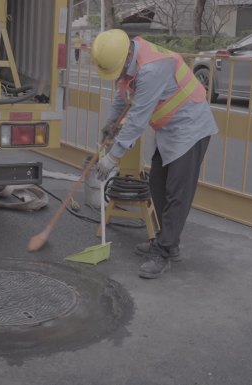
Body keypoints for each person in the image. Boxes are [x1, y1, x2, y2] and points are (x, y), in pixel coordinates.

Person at [91, 29, 218, 279]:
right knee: (158, 186)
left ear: (127, 55)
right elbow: (122, 96)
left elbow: (137, 119)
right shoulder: (129, 58)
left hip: (191, 127)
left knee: (176, 193)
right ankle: (168, 241)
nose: (116, 75)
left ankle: (164, 250)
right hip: (170, 130)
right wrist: (110, 124)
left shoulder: (151, 69)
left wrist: (112, 157)